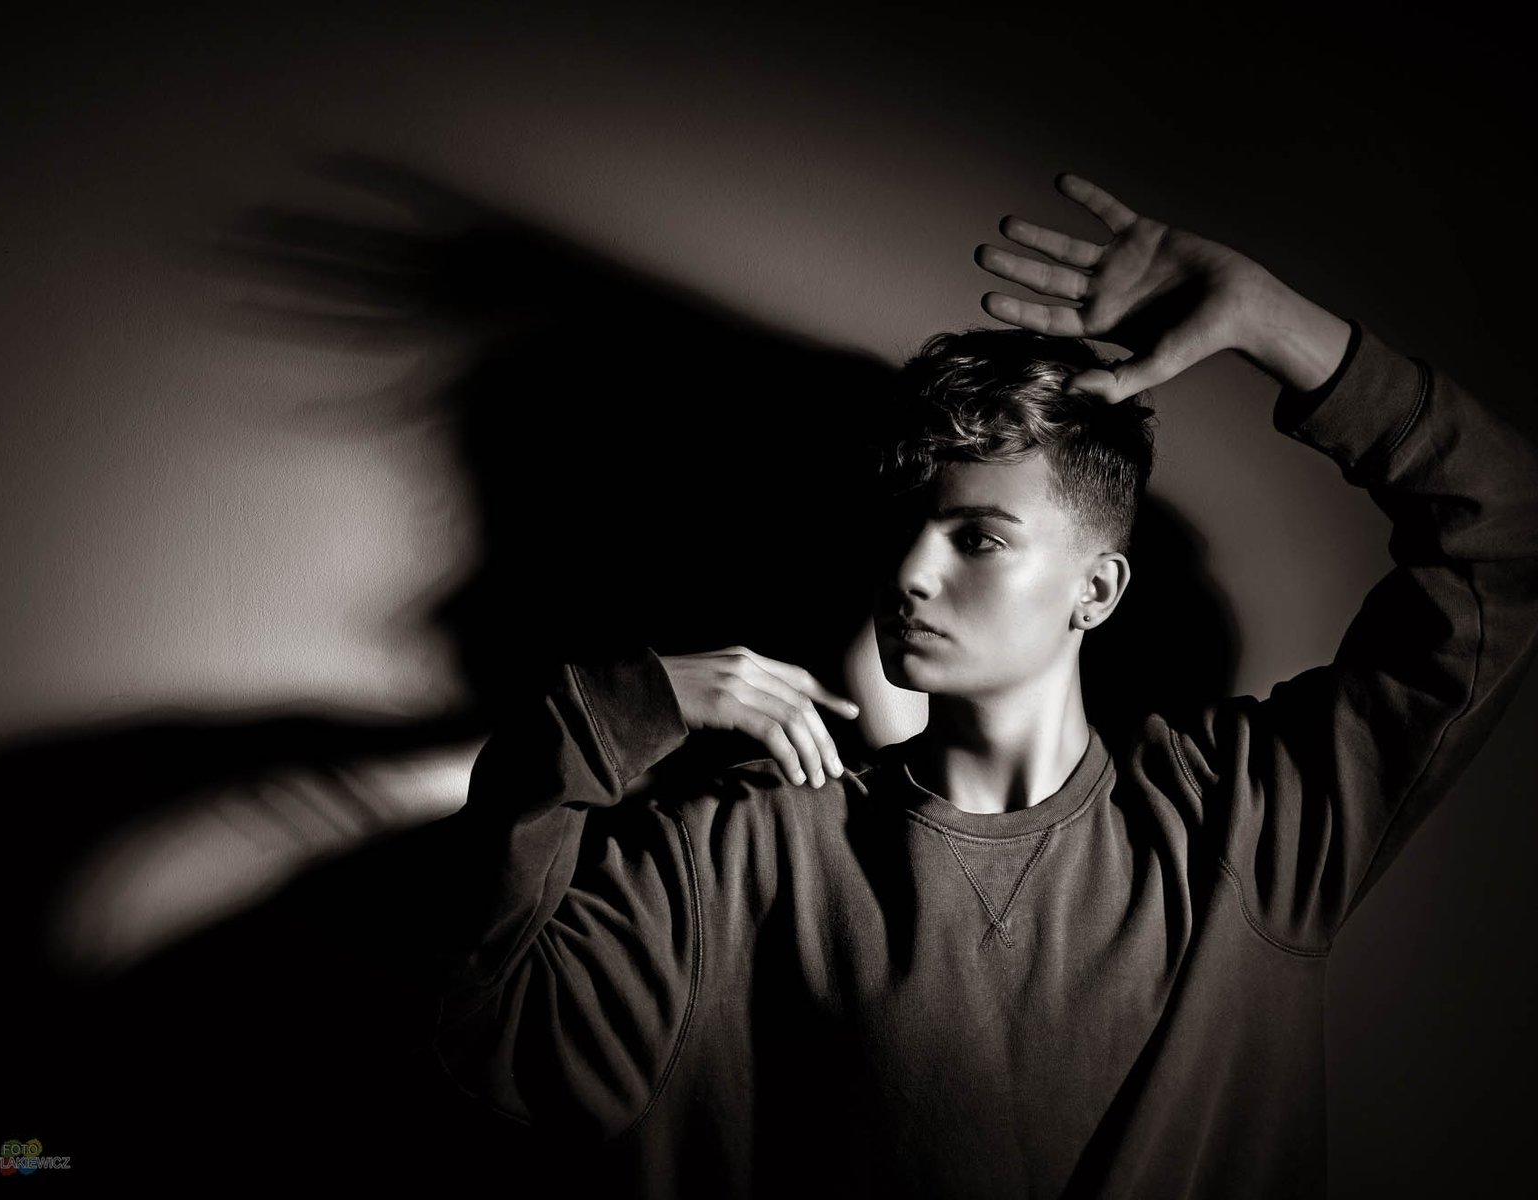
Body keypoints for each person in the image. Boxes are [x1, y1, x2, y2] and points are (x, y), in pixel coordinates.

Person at [420, 175, 1538, 1197]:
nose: (910, 572)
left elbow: (1508, 535)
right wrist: (619, 712)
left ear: (1096, 590)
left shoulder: (1245, 822)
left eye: (979, 537)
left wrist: (1268, 321)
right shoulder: (743, 849)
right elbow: (488, 1036)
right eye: (906, 529)